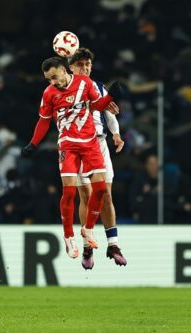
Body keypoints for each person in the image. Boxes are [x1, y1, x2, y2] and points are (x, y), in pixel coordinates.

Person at [21, 57, 121, 259]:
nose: (52, 82)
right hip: (68, 145)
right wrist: (33, 144)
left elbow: (97, 105)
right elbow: (43, 121)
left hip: (91, 143)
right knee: (69, 193)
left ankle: (88, 230)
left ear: (64, 70)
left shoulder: (84, 83)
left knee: (101, 190)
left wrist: (110, 97)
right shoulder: (49, 93)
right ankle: (69, 237)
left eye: (54, 77)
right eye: (49, 79)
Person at [68, 48, 127, 269]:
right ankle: (87, 246)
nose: (85, 68)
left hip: (99, 143)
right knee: (87, 196)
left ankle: (113, 245)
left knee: (106, 196)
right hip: (79, 145)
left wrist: (116, 134)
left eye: (88, 64)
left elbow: (110, 114)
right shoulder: (64, 89)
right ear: (71, 67)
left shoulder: (98, 87)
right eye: (81, 64)